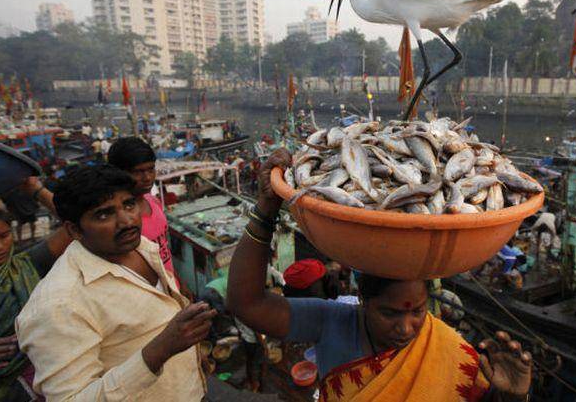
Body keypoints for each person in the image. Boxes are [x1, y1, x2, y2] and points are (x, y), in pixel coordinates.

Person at [227, 149, 532, 401]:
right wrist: (266, 209)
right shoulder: (332, 323)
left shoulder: (449, 350)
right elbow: (248, 305)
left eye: (417, 312)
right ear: (363, 300)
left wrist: (511, 396)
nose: (406, 328)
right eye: (389, 313)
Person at [15, 165, 216, 401]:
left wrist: (190, 357)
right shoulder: (58, 305)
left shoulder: (140, 246)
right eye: (104, 214)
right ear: (74, 230)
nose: (127, 221)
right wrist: (159, 351)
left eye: (129, 205)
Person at [0, 209, 73, 401]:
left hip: (38, 379)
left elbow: (75, 220)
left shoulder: (27, 266)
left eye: (4, 235)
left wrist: (34, 188)